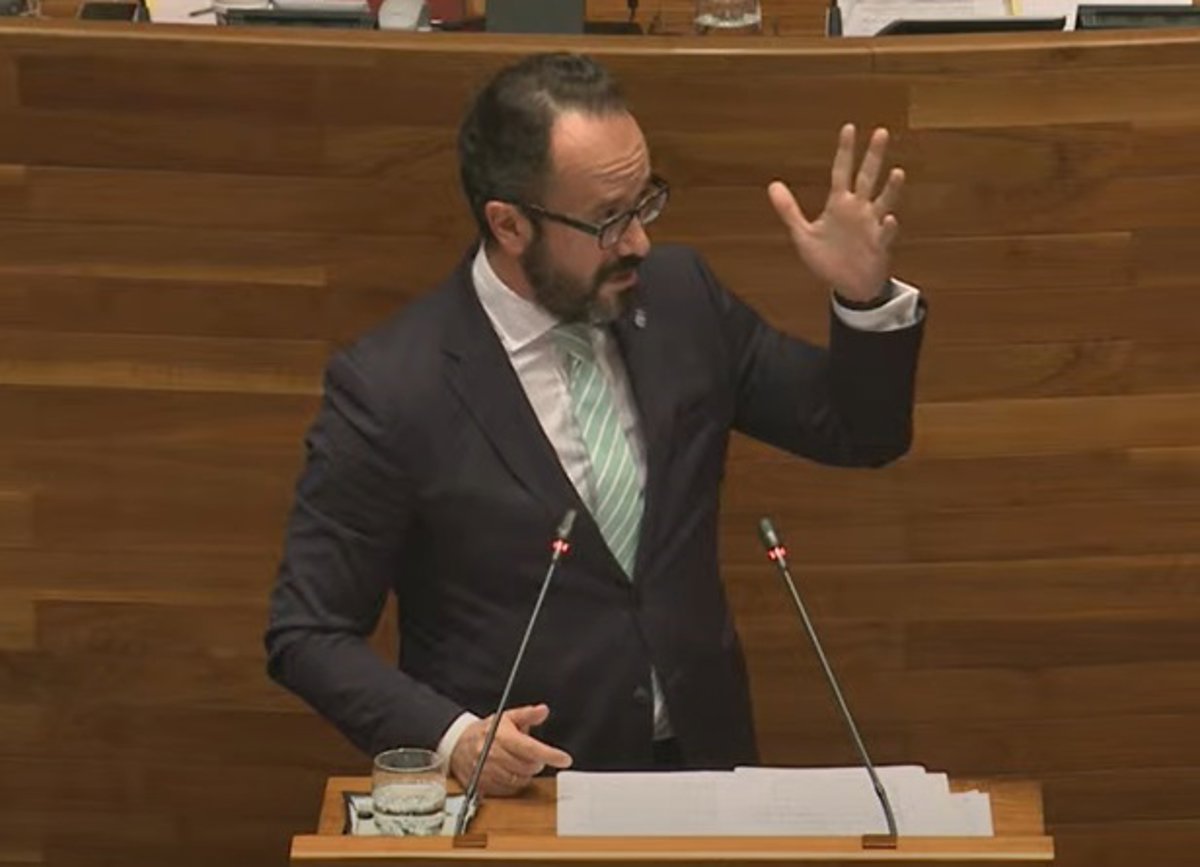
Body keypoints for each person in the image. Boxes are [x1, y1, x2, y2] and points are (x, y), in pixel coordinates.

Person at [265, 52, 925, 798]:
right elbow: (308, 633)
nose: (639, 240)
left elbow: (859, 430)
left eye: (645, 204)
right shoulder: (393, 387)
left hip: (704, 775)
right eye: (610, 220)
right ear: (510, 224)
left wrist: (865, 298)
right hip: (527, 798)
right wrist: (454, 736)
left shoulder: (682, 299)